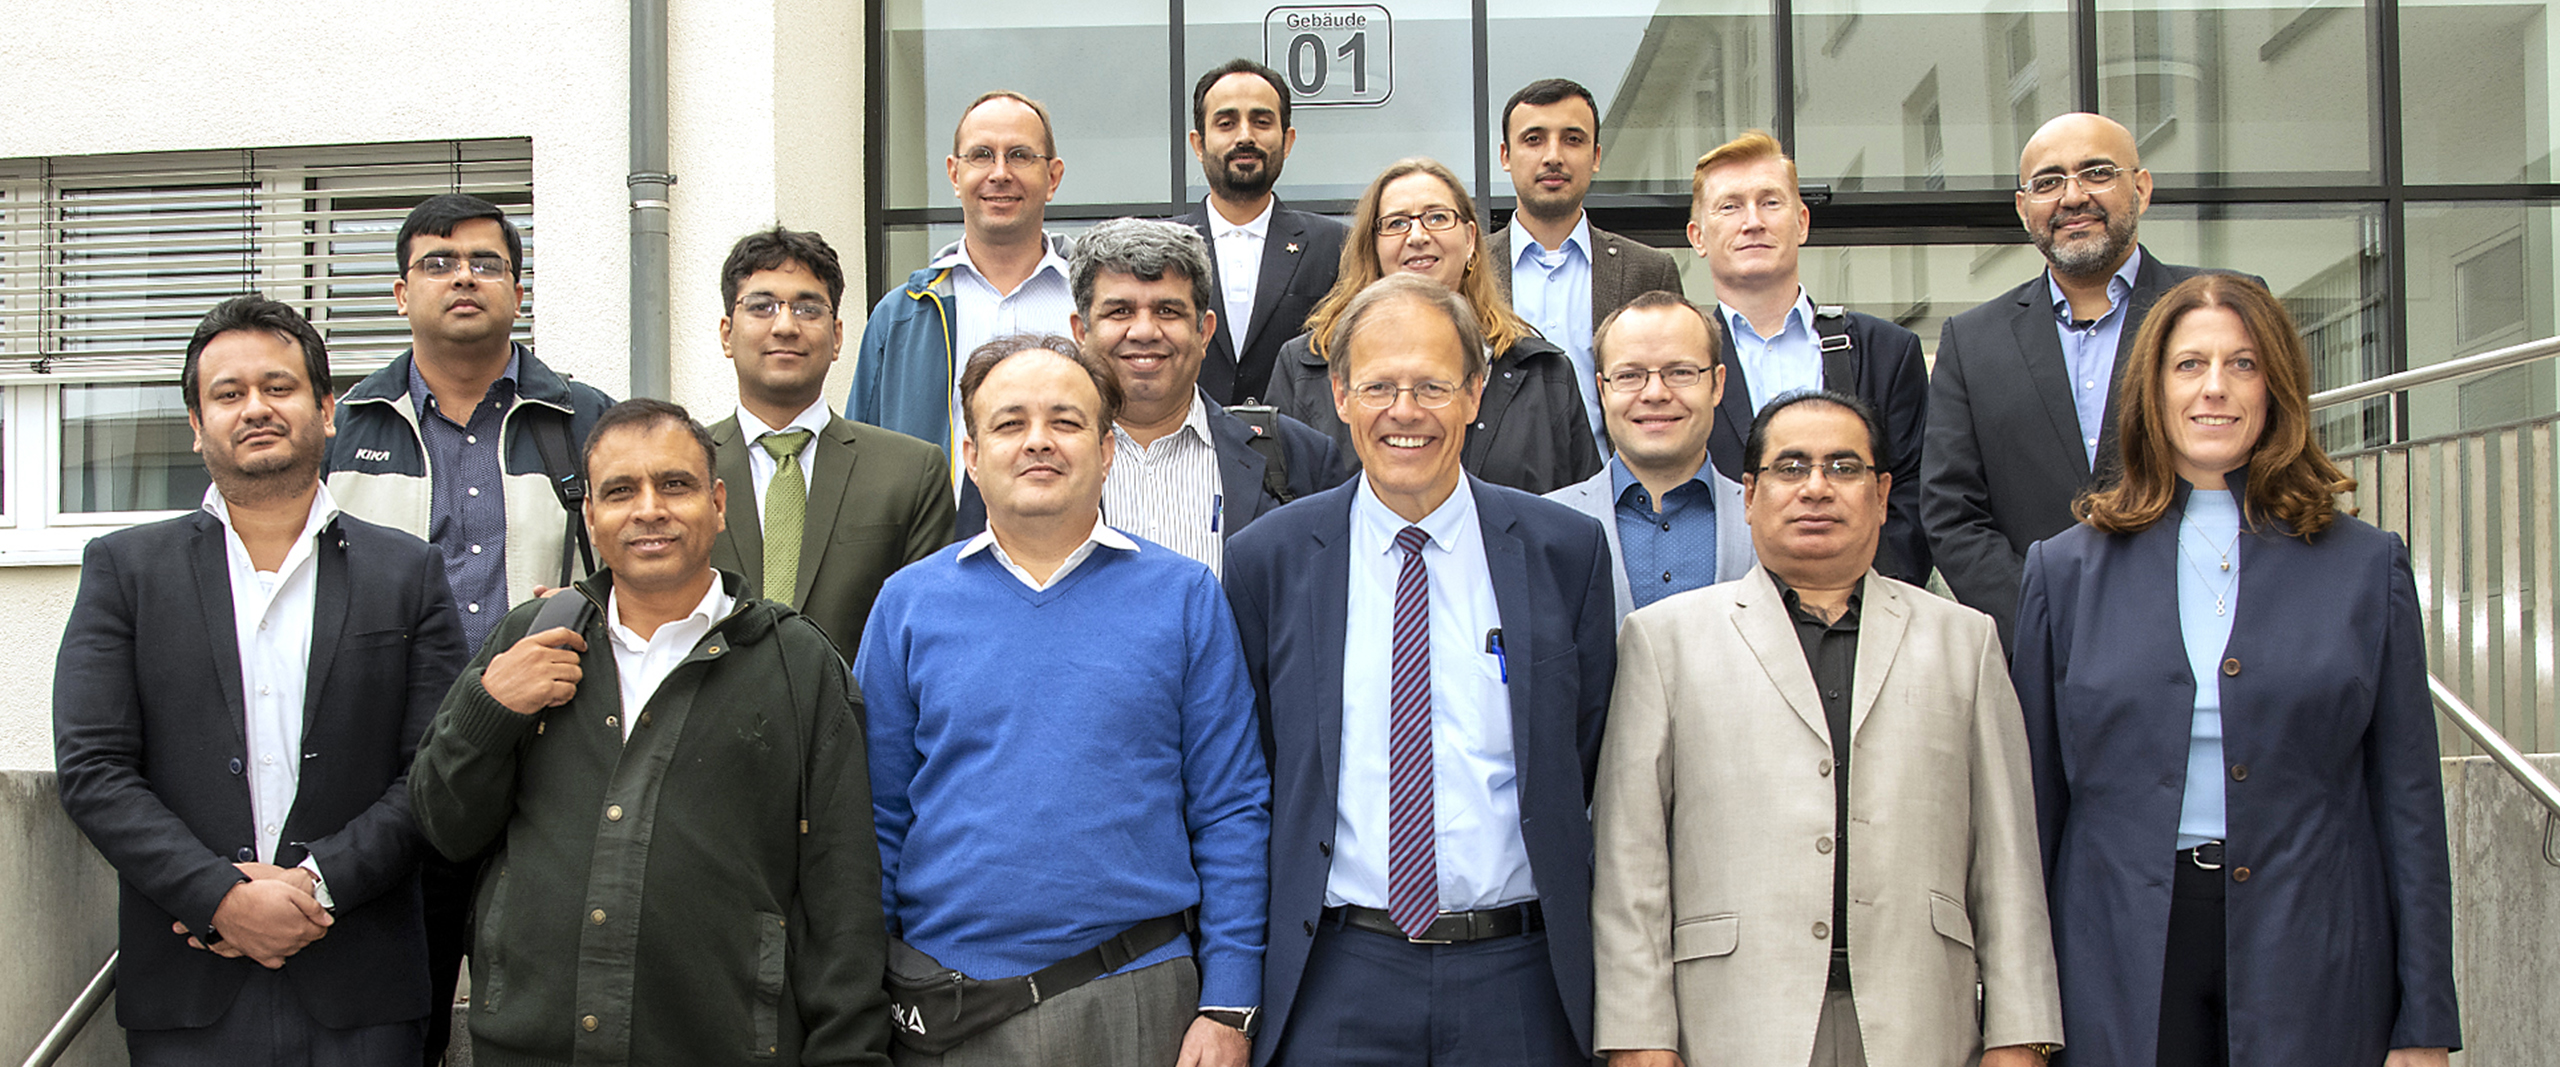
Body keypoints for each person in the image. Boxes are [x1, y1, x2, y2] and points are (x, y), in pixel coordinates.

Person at [2012, 273, 2460, 1066]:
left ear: (2276, 386)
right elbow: (2034, 811)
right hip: (2117, 952)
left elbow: (2409, 805)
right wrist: (2017, 1014)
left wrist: (2424, 1021)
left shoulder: (2366, 566)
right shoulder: (2064, 571)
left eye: (2243, 364)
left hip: (2314, 948)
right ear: (2151, 387)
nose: (2215, 387)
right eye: (2189, 365)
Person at [409, 399, 893, 1066]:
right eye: (619, 490)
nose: (649, 509)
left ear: (718, 503)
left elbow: (843, 896)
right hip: (529, 1047)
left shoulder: (796, 663)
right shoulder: (532, 636)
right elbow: (444, 825)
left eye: (674, 484)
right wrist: (490, 708)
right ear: (590, 517)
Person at [1590, 388, 2063, 1067]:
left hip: (1919, 1019)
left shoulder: (1966, 641)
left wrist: (2020, 1033)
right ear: (1748, 494)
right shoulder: (1666, 641)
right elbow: (1629, 857)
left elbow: (2008, 855)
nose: (1816, 487)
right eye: (1791, 467)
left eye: (1844, 467)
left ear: (1881, 493)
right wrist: (1638, 1033)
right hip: (1731, 1019)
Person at [56, 296, 468, 1065]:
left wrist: (316, 885)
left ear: (327, 407)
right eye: (228, 392)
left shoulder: (408, 572)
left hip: (364, 986)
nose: (255, 408)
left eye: (278, 387)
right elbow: (94, 768)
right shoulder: (125, 571)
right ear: (195, 422)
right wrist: (218, 896)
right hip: (189, 986)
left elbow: (435, 772)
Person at [1226, 274, 1616, 1065]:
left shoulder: (1563, 551)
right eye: (1379, 385)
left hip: (1520, 975)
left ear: (1474, 392)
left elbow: (1586, 753)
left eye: (1433, 385)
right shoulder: (1267, 560)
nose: (1405, 411)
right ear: (1339, 396)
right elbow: (1255, 769)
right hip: (1338, 970)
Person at [859, 334, 1269, 1066]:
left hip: (1138, 995)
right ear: (972, 455)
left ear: (1107, 450)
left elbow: (1231, 806)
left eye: (1067, 421)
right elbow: (876, 819)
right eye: (1010, 423)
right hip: (947, 1005)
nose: (1038, 441)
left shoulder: (1182, 597)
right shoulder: (907, 605)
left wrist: (1229, 1000)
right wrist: (865, 999)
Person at [324, 192, 614, 1066]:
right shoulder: (342, 428)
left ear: (518, 290)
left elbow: (641, 564)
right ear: (399, 292)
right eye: (439, 263)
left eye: (486, 263)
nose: (463, 279)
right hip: (384, 770)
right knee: (393, 1019)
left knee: (540, 1021)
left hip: (544, 764)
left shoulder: (584, 418)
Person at [1924, 112, 2224, 647]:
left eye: (2097, 173)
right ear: (2023, 208)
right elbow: (1952, 514)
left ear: (2142, 188)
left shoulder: (2220, 309)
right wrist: (2046, 621)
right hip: (2043, 663)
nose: (2072, 196)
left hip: (2208, 638)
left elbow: (2265, 471)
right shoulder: (1972, 343)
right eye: (2047, 182)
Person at [1266, 158, 1602, 495]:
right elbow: (1280, 511)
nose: (1417, 235)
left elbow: (1580, 511)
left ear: (1470, 239)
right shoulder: (1305, 368)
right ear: (1373, 245)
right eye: (1396, 223)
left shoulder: (1544, 373)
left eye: (1437, 218)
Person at [1685, 131, 1929, 585]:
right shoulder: (1677, 368)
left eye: (1770, 202)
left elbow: (1912, 501)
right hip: (1719, 618)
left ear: (1802, 222)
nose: (1752, 221)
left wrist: (1865, 604)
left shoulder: (1887, 352)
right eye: (1730, 206)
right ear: (1698, 237)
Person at [704, 226, 954, 665]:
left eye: (807, 308)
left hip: (858, 728)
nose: (785, 326)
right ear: (727, 333)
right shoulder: (683, 473)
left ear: (837, 336)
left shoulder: (911, 472)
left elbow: (930, 639)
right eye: (762, 307)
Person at [852, 91, 1076, 473]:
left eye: (1020, 155)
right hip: (937, 533)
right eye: (981, 155)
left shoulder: (1092, 303)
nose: (1000, 173)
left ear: (1052, 177)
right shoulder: (900, 318)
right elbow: (859, 462)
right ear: (955, 175)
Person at [1489, 77, 1684, 442]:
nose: (1553, 156)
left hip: (1616, 491)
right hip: (1499, 493)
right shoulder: (1468, 270)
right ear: (1505, 156)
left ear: (1596, 157)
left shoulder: (1648, 271)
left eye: (1572, 139)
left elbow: (1676, 388)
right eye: (1533, 140)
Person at [1545, 290, 1754, 626]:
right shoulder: (1542, 528)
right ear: (1602, 390)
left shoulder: (1769, 523)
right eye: (1630, 375)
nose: (1655, 393)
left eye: (1681, 373)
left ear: (1717, 384)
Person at [1175, 59, 1349, 406]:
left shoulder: (1337, 247)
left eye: (1261, 122)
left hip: (1302, 452)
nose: (1245, 136)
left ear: (1287, 141)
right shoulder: (1160, 247)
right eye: (1226, 123)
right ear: (1198, 143)